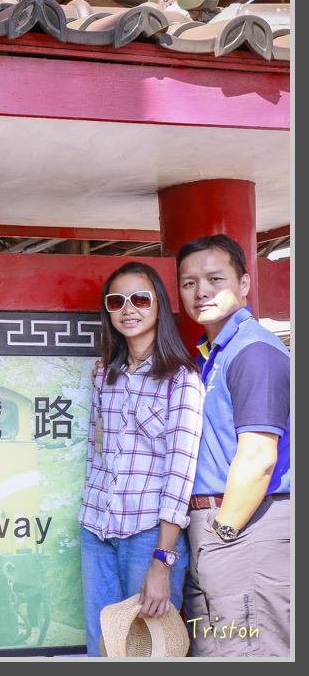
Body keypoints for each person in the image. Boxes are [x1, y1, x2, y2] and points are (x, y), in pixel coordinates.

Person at [78, 261, 204, 657]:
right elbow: (97, 454)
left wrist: (162, 562)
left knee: (148, 651)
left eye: (140, 299)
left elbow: (180, 474)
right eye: (116, 301)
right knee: (103, 646)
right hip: (96, 531)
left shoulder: (182, 379)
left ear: (159, 305)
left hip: (148, 536)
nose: (128, 309)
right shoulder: (106, 376)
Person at [176, 234, 290, 657]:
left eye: (215, 279)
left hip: (245, 526)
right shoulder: (213, 354)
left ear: (244, 283)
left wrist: (223, 532)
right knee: (218, 651)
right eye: (189, 283)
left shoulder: (254, 350)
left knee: (250, 652)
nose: (201, 291)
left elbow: (259, 457)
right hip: (218, 527)